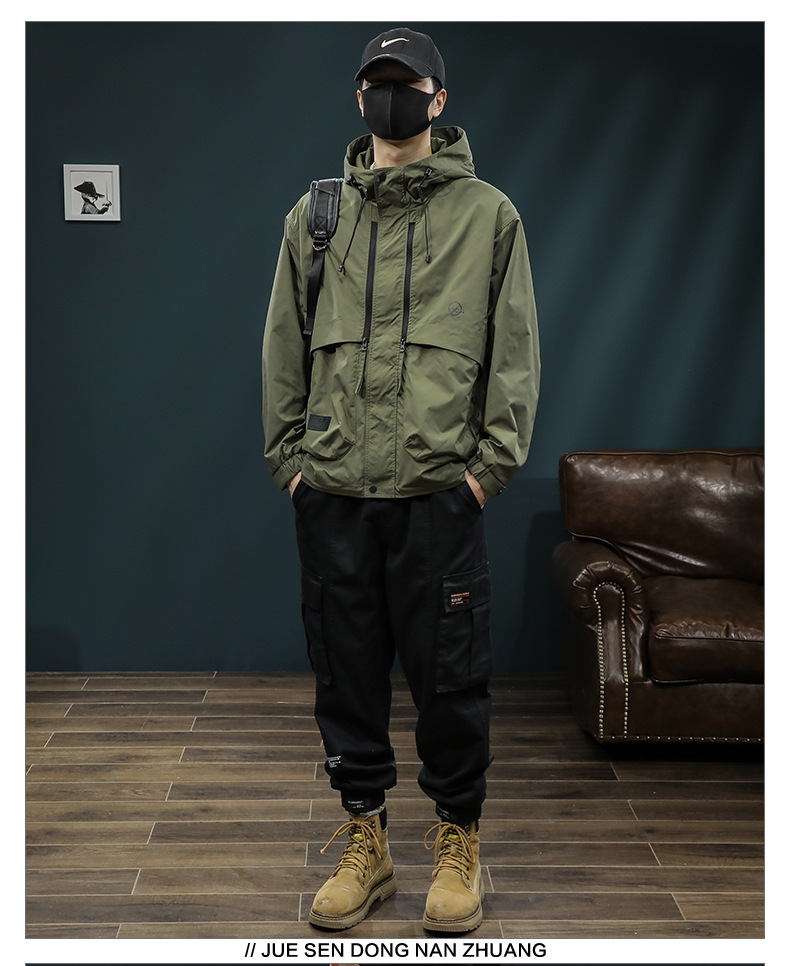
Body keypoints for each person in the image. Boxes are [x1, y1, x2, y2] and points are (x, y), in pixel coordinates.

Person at [262, 26, 539, 933]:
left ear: (438, 98)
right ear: (360, 98)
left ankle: (459, 842)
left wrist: (486, 473)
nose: (392, 97)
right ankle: (366, 842)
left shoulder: (489, 216)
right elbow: (283, 346)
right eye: (378, 83)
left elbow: (514, 355)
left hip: (438, 496)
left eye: (408, 82)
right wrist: (292, 464)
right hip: (335, 493)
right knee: (344, 678)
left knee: (451, 682)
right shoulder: (316, 215)